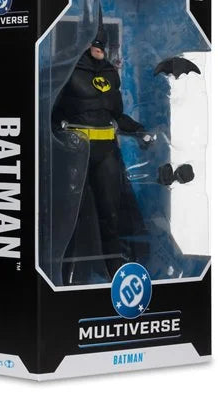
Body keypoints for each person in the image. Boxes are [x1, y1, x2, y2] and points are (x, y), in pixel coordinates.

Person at [52, 26, 152, 284]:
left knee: (111, 213)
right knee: (72, 214)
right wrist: (57, 140)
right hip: (77, 152)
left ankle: (113, 265)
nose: (99, 47)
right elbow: (51, 111)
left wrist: (139, 130)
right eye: (94, 42)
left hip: (106, 150)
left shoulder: (110, 73)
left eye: (102, 43)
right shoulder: (67, 69)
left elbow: (116, 115)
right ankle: (67, 272)